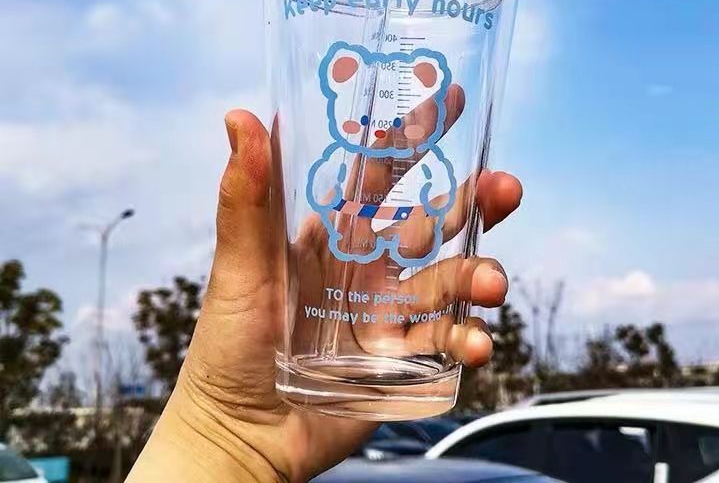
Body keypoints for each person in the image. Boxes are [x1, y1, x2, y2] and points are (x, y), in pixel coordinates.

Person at [127, 109, 523, 483]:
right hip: (288, 387)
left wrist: (222, 440)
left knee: (486, 228)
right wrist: (224, 431)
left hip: (400, 379)